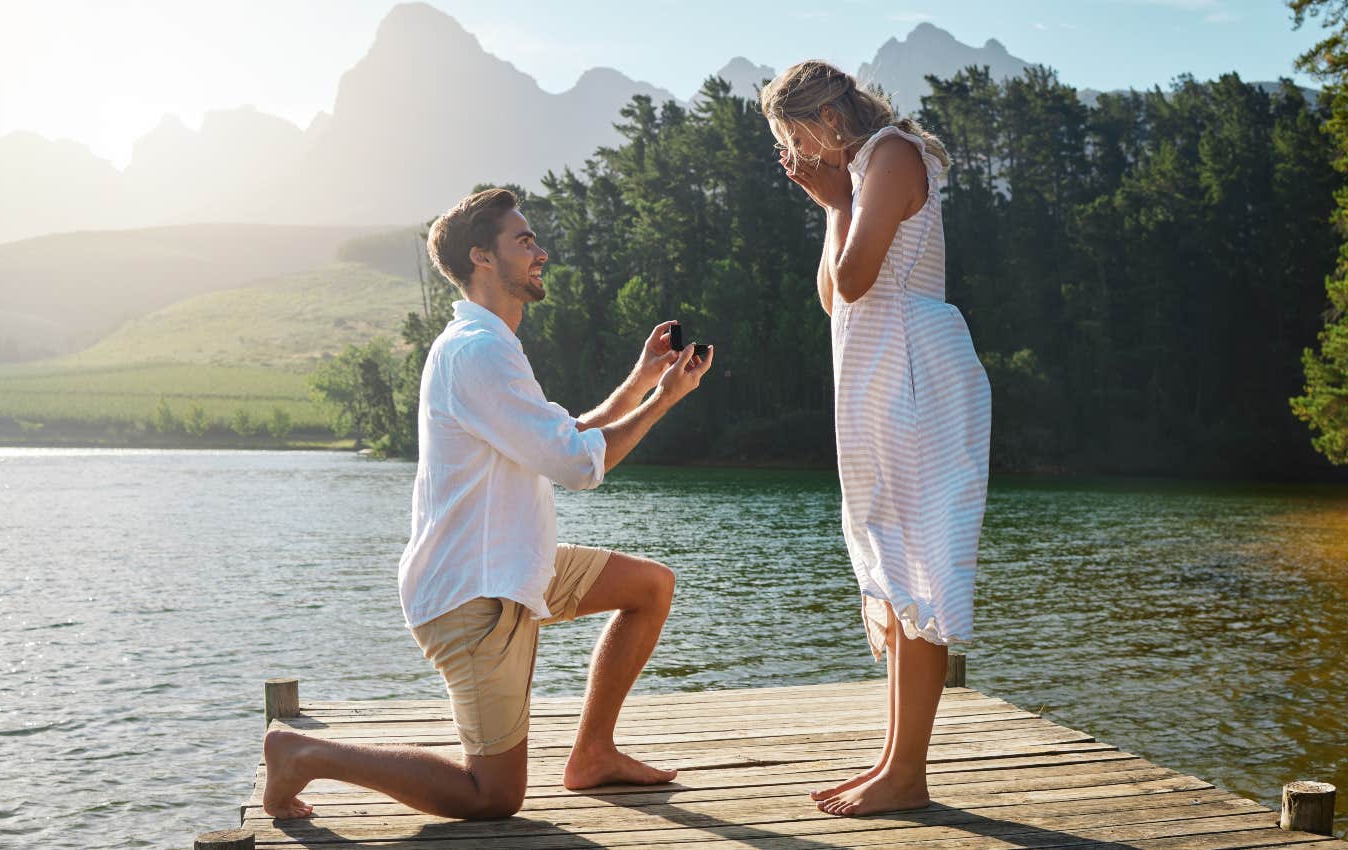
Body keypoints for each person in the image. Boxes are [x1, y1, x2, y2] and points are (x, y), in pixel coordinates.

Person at [261, 187, 713, 820]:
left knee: (649, 587)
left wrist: (642, 379)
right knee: (492, 796)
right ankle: (302, 755)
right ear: (481, 257)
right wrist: (663, 401)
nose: (542, 252)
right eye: (524, 241)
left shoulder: (488, 346)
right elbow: (579, 467)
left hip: (511, 565)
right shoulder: (479, 352)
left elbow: (567, 436)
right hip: (474, 592)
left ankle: (592, 755)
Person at [760, 61, 991, 816]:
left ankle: (908, 774)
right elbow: (832, 296)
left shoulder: (890, 153)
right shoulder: (861, 172)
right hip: (881, 377)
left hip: (916, 377)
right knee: (893, 568)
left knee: (919, 565)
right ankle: (895, 763)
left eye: (797, 138)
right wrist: (832, 206)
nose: (801, 156)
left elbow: (858, 280)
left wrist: (841, 199)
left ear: (826, 117)